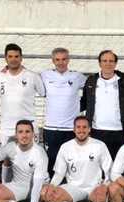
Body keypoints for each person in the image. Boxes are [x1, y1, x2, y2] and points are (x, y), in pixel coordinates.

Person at [41, 116, 112, 202]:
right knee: (51, 197)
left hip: (94, 186)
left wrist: (105, 185)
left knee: (101, 198)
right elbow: (59, 172)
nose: (81, 130)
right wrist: (52, 185)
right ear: (74, 129)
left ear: (89, 129)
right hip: (73, 187)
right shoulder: (66, 147)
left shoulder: (99, 145)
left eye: (84, 127)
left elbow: (109, 170)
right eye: (78, 127)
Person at [81, 50, 124, 159]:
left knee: (116, 168)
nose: (108, 64)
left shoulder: (123, 81)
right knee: (96, 166)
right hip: (96, 130)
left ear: (115, 63)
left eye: (111, 61)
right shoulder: (91, 81)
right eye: (104, 61)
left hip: (117, 131)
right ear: (99, 63)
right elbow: (84, 102)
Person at [40, 47, 87, 178]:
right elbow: (28, 78)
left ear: (68, 60)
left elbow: (93, 86)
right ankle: (50, 192)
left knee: (72, 160)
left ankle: (70, 192)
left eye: (63, 59)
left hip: (70, 128)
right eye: (57, 60)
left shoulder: (77, 76)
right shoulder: (44, 75)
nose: (60, 62)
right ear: (53, 61)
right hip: (51, 128)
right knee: (51, 161)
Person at [0, 43, 45, 146]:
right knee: (6, 158)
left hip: (28, 127)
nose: (13, 59)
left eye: (16, 56)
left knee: (30, 158)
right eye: (10, 56)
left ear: (21, 58)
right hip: (6, 127)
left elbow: (45, 94)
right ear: (5, 59)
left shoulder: (32, 76)